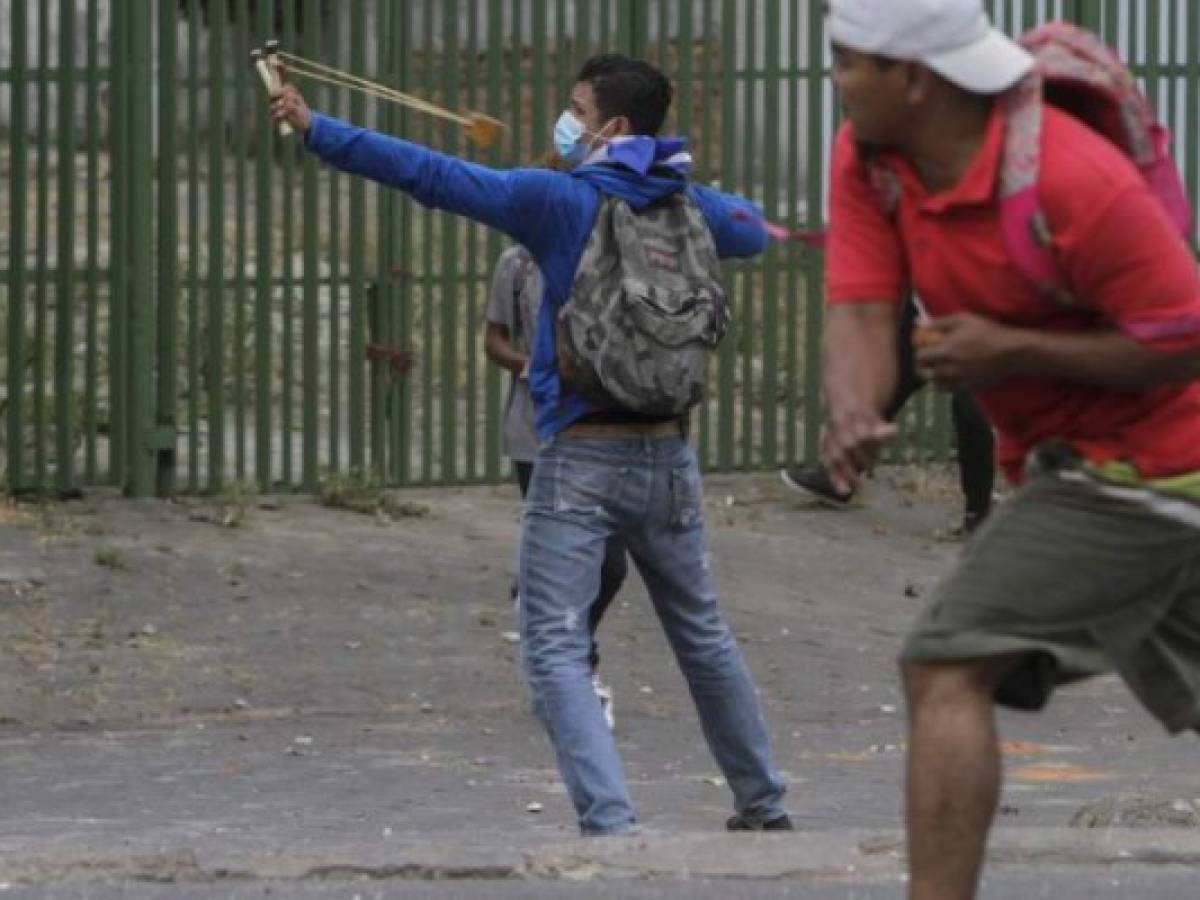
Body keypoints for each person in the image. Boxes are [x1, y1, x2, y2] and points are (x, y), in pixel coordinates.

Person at [269, 53, 789, 836]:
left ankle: (612, 823)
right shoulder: (689, 203)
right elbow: (754, 232)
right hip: (670, 454)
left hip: (581, 453)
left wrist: (318, 131)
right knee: (702, 634)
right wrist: (671, 180)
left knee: (552, 644)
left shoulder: (556, 201)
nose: (566, 120)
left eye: (577, 108)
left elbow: (432, 175)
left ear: (612, 127)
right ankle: (763, 803)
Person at [822, 1, 1200, 897]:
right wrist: (852, 410)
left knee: (945, 660)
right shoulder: (872, 161)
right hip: (1064, 462)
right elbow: (863, 303)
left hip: (1152, 463)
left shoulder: (1074, 180)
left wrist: (1014, 350)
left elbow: (1186, 335)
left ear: (913, 77)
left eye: (849, 63)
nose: (837, 82)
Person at [483, 240, 626, 729]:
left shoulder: (616, 249)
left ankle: (542, 611)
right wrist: (532, 365)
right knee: (568, 562)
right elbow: (494, 340)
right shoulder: (519, 261)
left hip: (605, 429)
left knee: (609, 564)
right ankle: (579, 675)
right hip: (536, 432)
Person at [782, 297, 996, 535]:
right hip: (925, 310)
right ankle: (837, 481)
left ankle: (979, 514)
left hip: (974, 318)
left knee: (971, 411)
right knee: (890, 385)